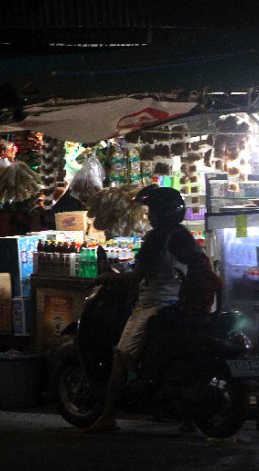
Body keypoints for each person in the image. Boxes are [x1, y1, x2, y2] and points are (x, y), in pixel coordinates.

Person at [85, 184, 221, 433]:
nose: (148, 215)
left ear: (161, 212)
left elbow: (137, 276)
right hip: (181, 303)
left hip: (154, 304)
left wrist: (106, 278)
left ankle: (107, 417)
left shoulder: (156, 237)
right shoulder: (183, 235)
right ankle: (188, 418)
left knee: (121, 355)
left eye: (151, 210)